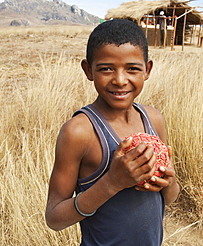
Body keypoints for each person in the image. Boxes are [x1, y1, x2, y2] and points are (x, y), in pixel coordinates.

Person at [45, 19, 180, 245]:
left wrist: (168, 182)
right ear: (88, 70)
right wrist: (112, 183)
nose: (119, 80)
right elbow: (54, 218)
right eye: (106, 68)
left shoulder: (154, 120)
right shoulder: (79, 132)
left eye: (132, 69)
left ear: (147, 70)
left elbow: (171, 197)